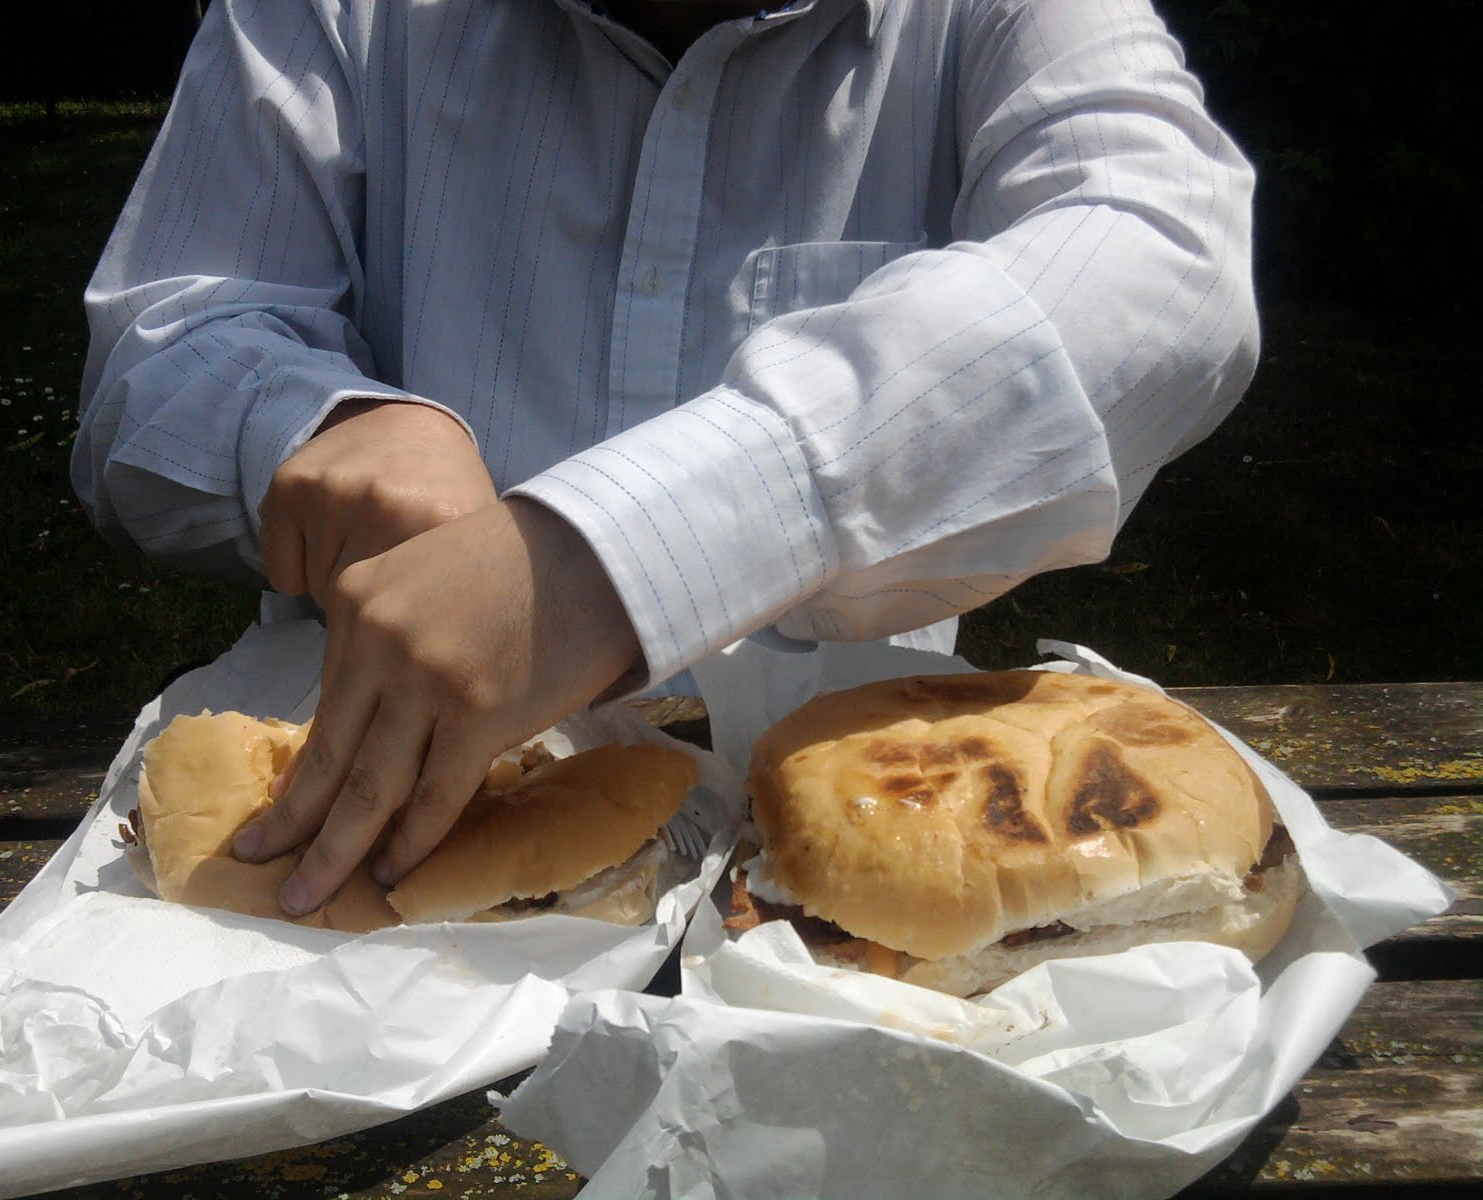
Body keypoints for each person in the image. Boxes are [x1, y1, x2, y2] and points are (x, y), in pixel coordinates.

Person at [74, 0, 1260, 919]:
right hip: (361, 807)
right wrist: (312, 424)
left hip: (869, 828)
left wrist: (610, 556)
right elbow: (160, 352)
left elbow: (1166, 262)